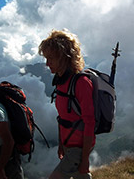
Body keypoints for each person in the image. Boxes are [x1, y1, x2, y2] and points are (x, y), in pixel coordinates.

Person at [39, 30, 94, 179]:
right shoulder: (61, 82)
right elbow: (63, 117)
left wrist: (84, 159)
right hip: (69, 145)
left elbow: (90, 123)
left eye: (51, 58)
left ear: (64, 57)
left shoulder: (81, 83)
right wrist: (62, 144)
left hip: (79, 148)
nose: (47, 63)